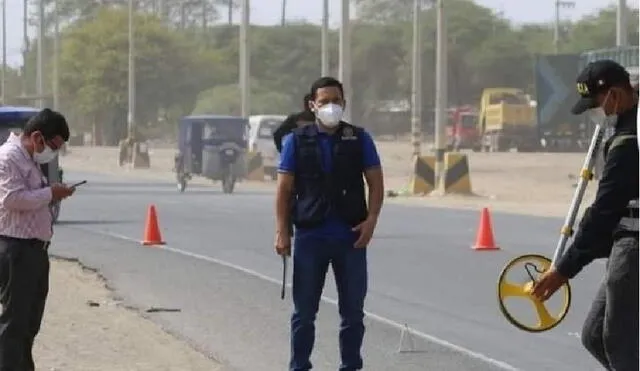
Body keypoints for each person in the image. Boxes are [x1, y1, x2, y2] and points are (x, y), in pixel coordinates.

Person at [532, 60, 638, 370]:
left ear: (615, 96)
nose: (596, 113)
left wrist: (563, 269)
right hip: (623, 240)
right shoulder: (622, 127)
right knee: (594, 335)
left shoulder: (628, 143)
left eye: (596, 104)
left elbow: (605, 212)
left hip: (634, 245)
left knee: (619, 343)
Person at [275, 77, 384, 371]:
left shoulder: (360, 139)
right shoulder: (295, 141)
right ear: (313, 105)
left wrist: (372, 220)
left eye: (336, 101)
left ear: (344, 104)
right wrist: (282, 232)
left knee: (353, 314)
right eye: (324, 102)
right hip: (310, 238)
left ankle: (350, 366)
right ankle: (299, 366)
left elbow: (375, 181)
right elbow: (284, 190)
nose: (331, 107)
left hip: (351, 237)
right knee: (304, 314)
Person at [0, 108, 75, 371]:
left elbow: (32, 197)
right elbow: (11, 199)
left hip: (35, 251)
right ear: (37, 136)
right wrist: (49, 193)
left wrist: (53, 193)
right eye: (53, 146)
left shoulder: (30, 160)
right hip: (17, 249)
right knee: (14, 324)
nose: (53, 153)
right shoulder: (9, 158)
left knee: (29, 324)